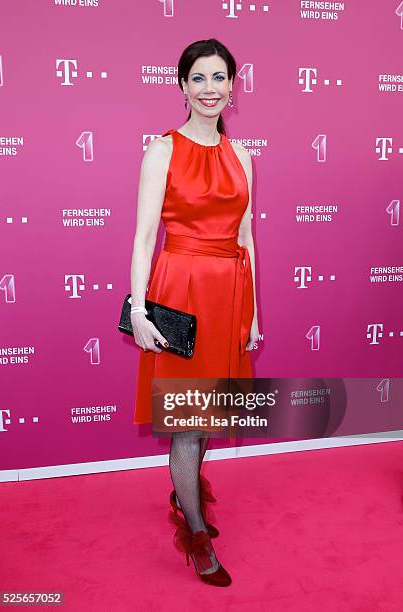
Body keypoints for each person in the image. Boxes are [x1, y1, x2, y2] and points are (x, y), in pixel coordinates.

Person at [129, 38, 259, 586]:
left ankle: (187, 494)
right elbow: (142, 241)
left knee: (208, 415)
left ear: (233, 86)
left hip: (229, 293)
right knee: (187, 424)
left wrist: (253, 314)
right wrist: (138, 310)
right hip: (180, 289)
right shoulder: (162, 150)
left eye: (219, 78)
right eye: (198, 78)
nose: (210, 89)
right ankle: (197, 535)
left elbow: (247, 238)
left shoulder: (244, 155)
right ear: (182, 85)